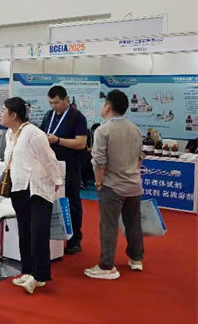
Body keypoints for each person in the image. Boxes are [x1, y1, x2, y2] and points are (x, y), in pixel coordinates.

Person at [0, 97, 63, 295]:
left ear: (13, 115)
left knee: (38, 233)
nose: (1, 114)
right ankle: (27, 270)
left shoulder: (33, 133)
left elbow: (49, 158)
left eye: (3, 111)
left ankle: (39, 275)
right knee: (24, 232)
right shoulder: (9, 134)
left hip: (36, 188)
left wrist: (57, 180)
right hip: (18, 187)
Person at [85, 90, 144, 280]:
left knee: (108, 225)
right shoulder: (135, 128)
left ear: (107, 107)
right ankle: (136, 259)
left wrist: (98, 182)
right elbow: (139, 158)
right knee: (133, 223)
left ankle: (106, 265)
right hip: (134, 184)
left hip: (113, 185)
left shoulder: (103, 130)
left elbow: (99, 161)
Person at [40, 86, 88, 255]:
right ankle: (54, 238)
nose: (54, 106)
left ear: (66, 100)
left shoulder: (77, 117)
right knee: (50, 200)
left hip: (70, 166)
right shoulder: (48, 115)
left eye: (57, 103)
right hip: (50, 165)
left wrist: (58, 140)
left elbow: (81, 143)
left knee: (72, 202)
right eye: (51, 103)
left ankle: (74, 240)